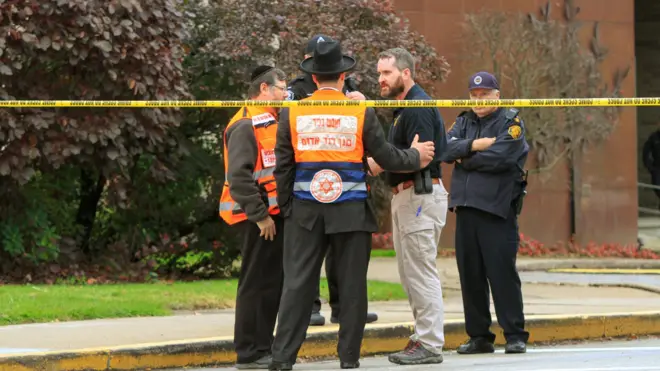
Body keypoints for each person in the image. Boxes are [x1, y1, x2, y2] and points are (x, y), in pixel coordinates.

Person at [269, 40, 436, 370]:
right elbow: (385, 156)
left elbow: (283, 167)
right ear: (343, 75)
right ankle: (348, 360)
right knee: (352, 288)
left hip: (305, 212)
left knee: (297, 285)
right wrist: (416, 156)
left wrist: (288, 207)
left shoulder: (293, 111)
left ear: (313, 78)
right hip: (351, 213)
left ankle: (282, 358)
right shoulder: (359, 111)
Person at [287, 34, 378, 327]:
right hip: (312, 185)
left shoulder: (350, 90)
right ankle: (312, 307)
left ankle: (342, 307)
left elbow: (370, 135)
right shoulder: (296, 93)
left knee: (343, 260)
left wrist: (364, 104)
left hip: (346, 185)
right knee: (309, 258)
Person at [366, 47, 448, 365]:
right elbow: (399, 159)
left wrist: (387, 160)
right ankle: (422, 337)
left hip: (419, 195)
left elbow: (421, 158)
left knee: (420, 271)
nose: (381, 79)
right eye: (379, 73)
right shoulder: (402, 110)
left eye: (386, 73)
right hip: (406, 196)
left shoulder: (417, 108)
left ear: (406, 73)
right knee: (409, 273)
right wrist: (386, 160)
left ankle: (429, 342)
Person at [441, 71, 530, 355]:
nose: (478, 100)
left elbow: (502, 156)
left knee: (502, 274)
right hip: (466, 209)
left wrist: (464, 158)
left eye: (484, 95)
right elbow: (444, 148)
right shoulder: (464, 120)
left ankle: (515, 334)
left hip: (496, 210)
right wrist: (475, 145)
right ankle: (479, 336)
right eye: (474, 95)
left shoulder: (510, 121)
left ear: (497, 95)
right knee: (471, 276)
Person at [218, 65, 288, 369]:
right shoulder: (245, 125)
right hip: (256, 219)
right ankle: (249, 353)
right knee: (254, 284)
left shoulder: (268, 120)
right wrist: (261, 217)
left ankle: (262, 347)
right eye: (281, 89)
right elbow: (239, 178)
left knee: (270, 283)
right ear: (264, 89)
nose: (285, 95)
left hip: (271, 216)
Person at [642, 128, 660, 208]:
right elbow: (646, 152)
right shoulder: (654, 137)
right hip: (657, 169)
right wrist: (650, 167)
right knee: (657, 188)